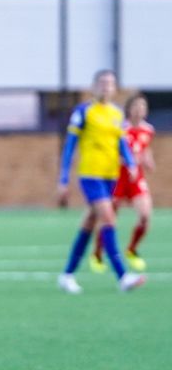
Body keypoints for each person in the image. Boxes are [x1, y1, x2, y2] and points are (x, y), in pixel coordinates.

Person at [56, 69, 144, 294]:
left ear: (115, 88)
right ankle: (123, 277)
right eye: (102, 82)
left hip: (110, 176)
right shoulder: (84, 111)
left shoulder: (116, 114)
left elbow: (121, 143)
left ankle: (67, 275)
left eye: (110, 83)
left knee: (89, 223)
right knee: (108, 218)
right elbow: (70, 146)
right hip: (90, 175)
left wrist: (131, 164)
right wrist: (63, 178)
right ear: (94, 86)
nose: (106, 86)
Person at [89, 94, 156, 273]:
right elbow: (112, 150)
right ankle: (97, 254)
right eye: (137, 106)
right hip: (118, 178)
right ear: (129, 108)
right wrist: (124, 159)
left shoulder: (148, 130)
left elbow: (145, 149)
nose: (140, 110)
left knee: (145, 216)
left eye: (143, 107)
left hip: (136, 180)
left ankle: (132, 250)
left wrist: (148, 160)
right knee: (109, 219)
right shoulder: (120, 128)